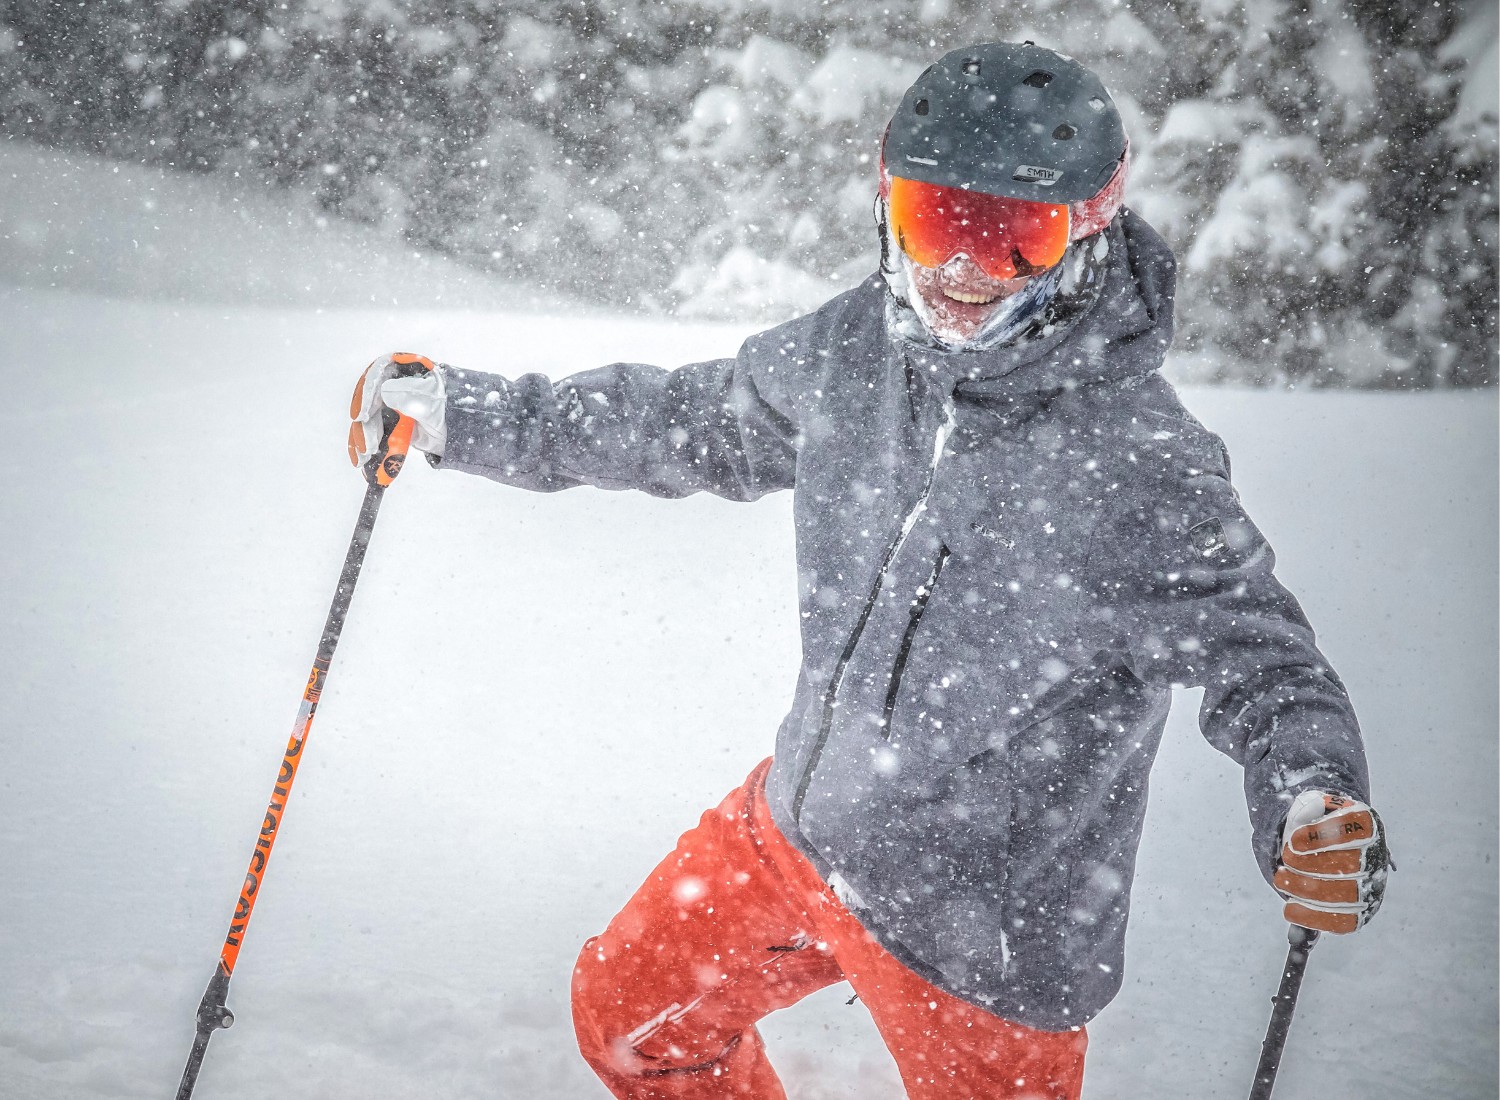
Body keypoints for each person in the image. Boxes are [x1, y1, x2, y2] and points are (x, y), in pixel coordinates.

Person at [347, 42, 1388, 1100]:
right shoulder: (860, 348)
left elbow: (1267, 662)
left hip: (987, 939)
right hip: (799, 832)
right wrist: (472, 415)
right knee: (631, 1018)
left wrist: (1311, 788)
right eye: (941, 222)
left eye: (1013, 235)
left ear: (1088, 229)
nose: (964, 274)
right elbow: (688, 419)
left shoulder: (1136, 460)